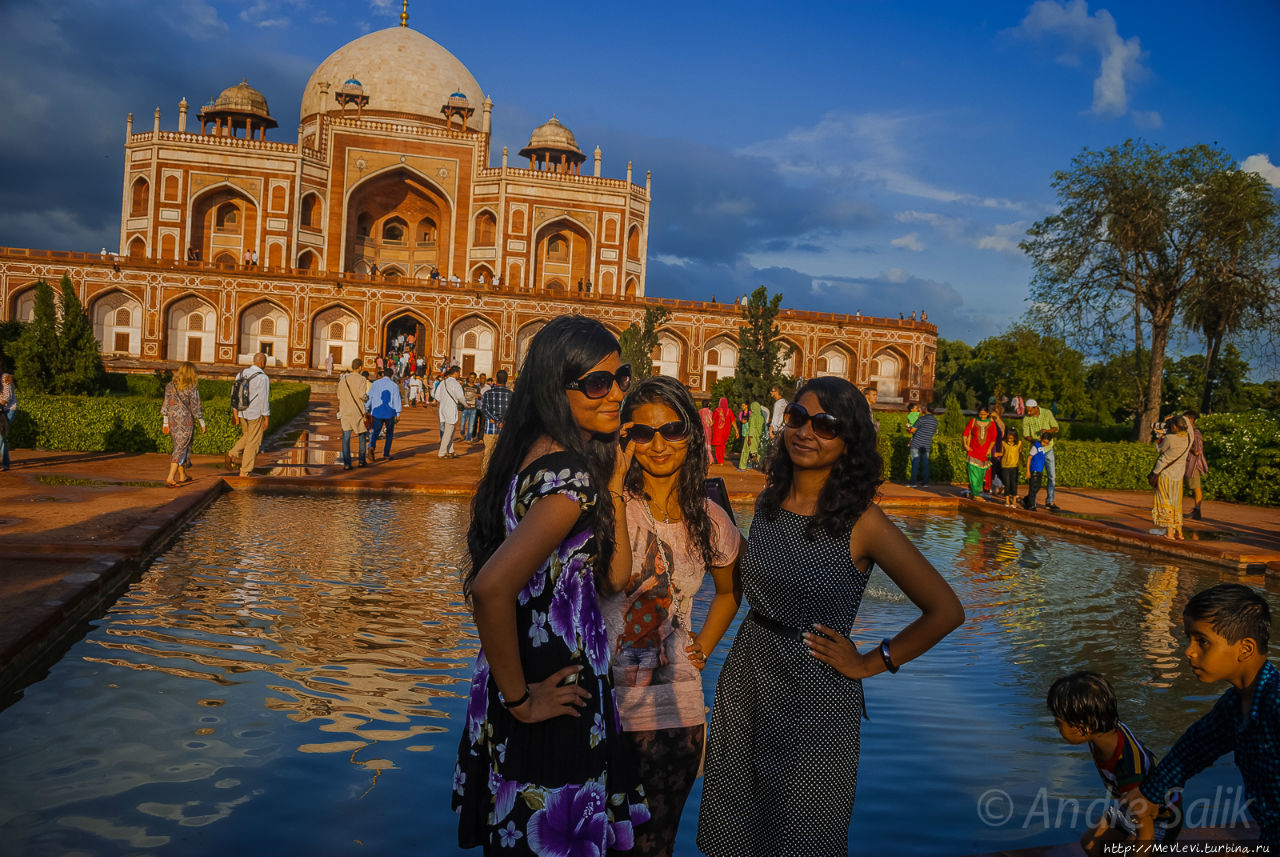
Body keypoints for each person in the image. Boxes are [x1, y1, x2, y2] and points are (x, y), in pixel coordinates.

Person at [697, 377, 964, 856]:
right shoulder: (769, 502)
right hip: (749, 677)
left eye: (825, 425)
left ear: (849, 442)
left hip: (815, 692)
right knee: (735, 822)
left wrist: (870, 661)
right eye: (798, 418)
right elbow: (739, 587)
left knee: (804, 829)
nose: (806, 432)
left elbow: (945, 610)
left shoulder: (863, 521)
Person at [452, 315, 648, 853]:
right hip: (553, 689)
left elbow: (612, 578)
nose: (616, 395)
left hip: (521, 670)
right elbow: (491, 588)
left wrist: (612, 491)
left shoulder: (535, 456)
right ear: (555, 388)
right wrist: (522, 700)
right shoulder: (570, 477)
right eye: (596, 384)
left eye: (620, 378)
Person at [602, 376, 742, 857]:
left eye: (672, 429)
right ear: (626, 439)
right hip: (605, 707)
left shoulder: (710, 518)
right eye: (642, 433)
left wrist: (704, 642)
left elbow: (729, 593)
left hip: (676, 713)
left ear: (692, 434)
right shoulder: (608, 507)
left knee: (654, 847)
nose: (658, 444)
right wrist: (614, 489)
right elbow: (608, 582)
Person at [1135, 584, 1278, 849]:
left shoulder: (1276, 701)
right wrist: (1150, 794)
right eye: (1189, 639)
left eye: (1202, 641)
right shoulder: (1236, 703)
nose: (1189, 652)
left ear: (1244, 648)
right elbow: (1195, 748)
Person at [1047, 672, 1183, 854]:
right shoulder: (1105, 729)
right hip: (1129, 804)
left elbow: (1146, 835)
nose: (1057, 728)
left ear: (1083, 728)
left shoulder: (1127, 768)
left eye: (1059, 723)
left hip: (1161, 818)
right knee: (1090, 843)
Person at [161, 362, 206, 487]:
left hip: (172, 420)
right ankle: (170, 477)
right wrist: (202, 422)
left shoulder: (170, 386)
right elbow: (196, 407)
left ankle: (182, 475)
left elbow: (166, 404)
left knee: (181, 445)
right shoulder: (192, 387)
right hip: (186, 420)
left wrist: (165, 423)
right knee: (181, 448)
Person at [227, 352, 270, 477]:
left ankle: (232, 453)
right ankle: (245, 472)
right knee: (253, 443)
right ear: (262, 363)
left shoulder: (240, 374)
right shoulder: (263, 377)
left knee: (247, 436)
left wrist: (235, 413)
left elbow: (234, 395)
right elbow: (263, 399)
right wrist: (266, 418)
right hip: (255, 413)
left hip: (242, 412)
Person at [1150, 416, 1190, 540]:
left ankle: (1170, 533)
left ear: (1174, 426)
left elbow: (1159, 449)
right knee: (1176, 503)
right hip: (1178, 475)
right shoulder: (1189, 438)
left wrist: (1159, 436)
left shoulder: (1170, 438)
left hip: (1166, 473)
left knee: (1165, 501)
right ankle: (1180, 533)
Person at [1021, 399, 1060, 510]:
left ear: (1036, 407)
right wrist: (1035, 441)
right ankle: (1032, 502)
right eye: (1027, 411)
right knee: (1036, 477)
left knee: (1052, 477)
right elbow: (1026, 435)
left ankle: (1050, 502)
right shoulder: (1026, 419)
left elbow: (1056, 427)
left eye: (1030, 411)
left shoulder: (1047, 413)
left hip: (1048, 449)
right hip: (1036, 450)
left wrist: (1047, 432)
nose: (1028, 413)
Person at [336, 358, 370, 470]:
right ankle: (361, 461)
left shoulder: (343, 380)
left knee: (346, 437)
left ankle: (347, 464)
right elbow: (361, 395)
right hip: (357, 411)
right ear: (360, 367)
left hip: (345, 411)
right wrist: (366, 397)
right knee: (362, 435)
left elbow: (339, 396)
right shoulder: (362, 379)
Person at [477, 368, 511, 475]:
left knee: (488, 453)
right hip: (505, 430)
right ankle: (500, 475)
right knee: (504, 454)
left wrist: (495, 421)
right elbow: (513, 411)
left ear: (496, 379)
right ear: (506, 380)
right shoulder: (511, 394)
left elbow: (484, 409)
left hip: (490, 429)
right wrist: (502, 421)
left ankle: (485, 476)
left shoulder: (488, 393)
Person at [961, 405, 998, 499]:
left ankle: (976, 493)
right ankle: (975, 494)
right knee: (972, 473)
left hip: (985, 453)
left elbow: (994, 438)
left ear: (988, 413)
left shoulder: (992, 423)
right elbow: (965, 433)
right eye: (980, 414)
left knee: (981, 474)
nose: (982, 416)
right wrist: (965, 445)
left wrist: (989, 449)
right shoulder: (974, 421)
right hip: (973, 450)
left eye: (984, 414)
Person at [366, 368, 402, 462]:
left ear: (382, 374)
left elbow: (369, 397)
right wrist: (398, 413)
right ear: (392, 375)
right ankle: (386, 454)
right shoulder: (394, 386)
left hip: (377, 412)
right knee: (389, 434)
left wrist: (366, 409)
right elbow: (397, 399)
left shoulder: (375, 384)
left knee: (374, 432)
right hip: (390, 413)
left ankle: (371, 447)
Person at [436, 365, 467, 459]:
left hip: (442, 409)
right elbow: (460, 397)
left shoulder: (443, 382)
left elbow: (437, 396)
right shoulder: (456, 384)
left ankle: (450, 450)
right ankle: (442, 453)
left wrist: (445, 400)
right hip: (450, 409)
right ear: (456, 373)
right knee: (448, 431)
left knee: (451, 430)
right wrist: (466, 405)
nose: (459, 375)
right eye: (459, 373)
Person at [1183, 410, 1208, 520]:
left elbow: (1197, 451)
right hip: (1187, 463)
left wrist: (1187, 446)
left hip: (1193, 464)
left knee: (1196, 488)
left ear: (1191, 419)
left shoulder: (1195, 433)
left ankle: (1197, 510)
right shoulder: (1187, 431)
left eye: (1185, 418)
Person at [737, 399, 766, 471]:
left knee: (745, 450)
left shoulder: (752, 416)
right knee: (759, 451)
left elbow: (752, 428)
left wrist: (749, 438)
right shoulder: (761, 416)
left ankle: (742, 466)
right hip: (759, 436)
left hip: (751, 436)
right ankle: (763, 466)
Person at [1023, 432, 1049, 510]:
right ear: (1041, 439)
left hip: (1039, 471)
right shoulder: (1036, 447)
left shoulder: (1042, 447)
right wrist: (1027, 471)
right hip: (1034, 470)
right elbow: (1029, 458)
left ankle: (1027, 499)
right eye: (1044, 442)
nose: (1045, 444)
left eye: (1047, 443)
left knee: (1037, 487)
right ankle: (1031, 505)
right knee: (1033, 488)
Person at [709, 397, 737, 465]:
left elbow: (713, 421)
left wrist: (708, 426)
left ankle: (720, 461)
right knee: (722, 445)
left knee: (717, 446)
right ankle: (721, 460)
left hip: (717, 430)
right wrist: (736, 430)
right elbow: (733, 421)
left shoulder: (716, 410)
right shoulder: (729, 411)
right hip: (725, 431)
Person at [999, 427, 1021, 507]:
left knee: (1014, 484)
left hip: (1014, 466)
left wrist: (1023, 463)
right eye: (1008, 438)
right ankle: (1007, 501)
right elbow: (1002, 453)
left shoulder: (1019, 443)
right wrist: (996, 454)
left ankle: (1014, 501)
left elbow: (1020, 453)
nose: (1010, 439)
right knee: (1007, 484)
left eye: (1011, 438)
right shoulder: (1003, 443)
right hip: (1005, 466)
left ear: (1015, 437)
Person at [0, 372, 16, 471]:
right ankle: (5, 464)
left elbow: (8, 396)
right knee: (2, 438)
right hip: (1, 410)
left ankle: (2, 463)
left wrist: (1, 404)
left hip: (9, 410)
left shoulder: (4, 377)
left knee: (0, 436)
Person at [460, 371, 479, 442]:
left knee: (471, 425)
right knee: (462, 424)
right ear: (468, 378)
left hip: (473, 409)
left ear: (475, 379)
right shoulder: (464, 386)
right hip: (465, 408)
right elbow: (460, 396)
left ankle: (468, 439)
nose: (472, 379)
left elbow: (479, 397)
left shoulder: (477, 387)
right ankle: (462, 434)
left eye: (473, 378)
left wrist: (479, 396)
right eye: (470, 377)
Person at [699, 399, 714, 464]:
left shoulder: (700, 411)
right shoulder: (711, 412)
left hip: (702, 430)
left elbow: (698, 421)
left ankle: (707, 459)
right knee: (708, 444)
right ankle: (710, 459)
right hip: (709, 430)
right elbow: (712, 422)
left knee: (703, 444)